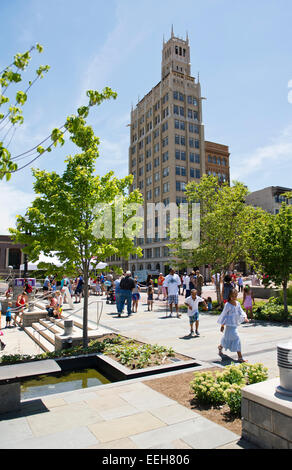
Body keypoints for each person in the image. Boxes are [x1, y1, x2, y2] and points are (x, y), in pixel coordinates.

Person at [217, 288, 249, 362]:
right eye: (232, 296)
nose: (234, 297)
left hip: (235, 324)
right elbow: (224, 315)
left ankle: (220, 346)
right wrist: (222, 325)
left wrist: (245, 317)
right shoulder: (227, 305)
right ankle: (240, 357)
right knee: (237, 339)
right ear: (230, 296)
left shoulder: (237, 303)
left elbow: (241, 311)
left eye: (235, 296)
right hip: (229, 325)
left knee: (226, 338)